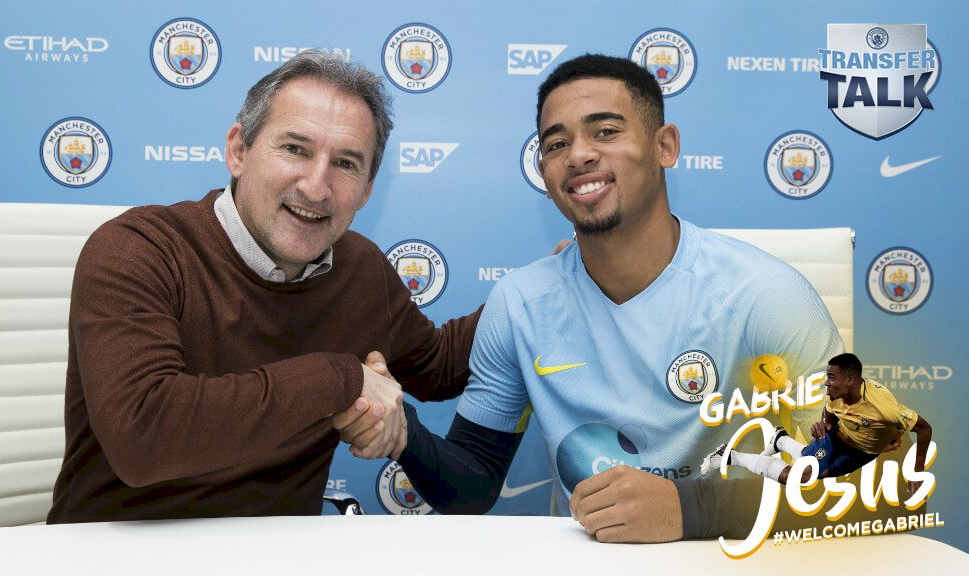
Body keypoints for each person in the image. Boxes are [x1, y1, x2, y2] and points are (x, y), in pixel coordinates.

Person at [372, 53, 844, 542]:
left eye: (605, 132)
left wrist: (686, 511)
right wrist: (400, 431)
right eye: (557, 144)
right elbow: (473, 485)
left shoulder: (765, 293)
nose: (578, 155)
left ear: (665, 146)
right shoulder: (519, 303)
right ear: (544, 170)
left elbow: (863, 485)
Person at [47, 51, 481, 523]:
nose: (316, 187)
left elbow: (438, 368)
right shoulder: (139, 249)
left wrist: (559, 278)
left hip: (282, 557)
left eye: (346, 163)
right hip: (112, 554)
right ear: (238, 151)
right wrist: (342, 380)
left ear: (367, 188)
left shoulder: (362, 269)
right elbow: (143, 437)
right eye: (295, 149)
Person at [702, 353, 932, 492]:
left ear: (850, 380)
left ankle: (780, 440)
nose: (826, 383)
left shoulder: (885, 408)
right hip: (838, 442)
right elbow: (828, 412)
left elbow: (924, 429)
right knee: (801, 476)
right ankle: (729, 456)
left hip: (863, 453)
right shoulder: (837, 394)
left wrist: (916, 471)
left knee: (807, 460)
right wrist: (825, 425)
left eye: (831, 377)